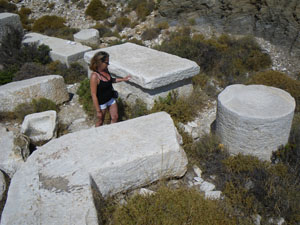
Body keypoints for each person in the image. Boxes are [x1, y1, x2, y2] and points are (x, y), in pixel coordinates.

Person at [89, 51, 131, 127]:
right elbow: (93, 94)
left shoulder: (106, 70)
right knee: (100, 121)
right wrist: (98, 111)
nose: (108, 64)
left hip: (110, 99)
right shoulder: (94, 76)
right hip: (102, 103)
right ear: (99, 62)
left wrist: (123, 79)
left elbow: (111, 80)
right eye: (106, 63)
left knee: (115, 117)